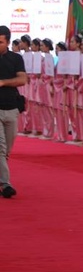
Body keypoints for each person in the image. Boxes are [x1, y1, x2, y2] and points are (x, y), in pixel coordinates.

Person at [0, 25, 27, 198]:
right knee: (0, 149)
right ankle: (6, 184)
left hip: (11, 108)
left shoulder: (16, 59)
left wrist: (3, 82)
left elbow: (22, 79)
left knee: (7, 150)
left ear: (8, 42)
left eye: (0, 41)